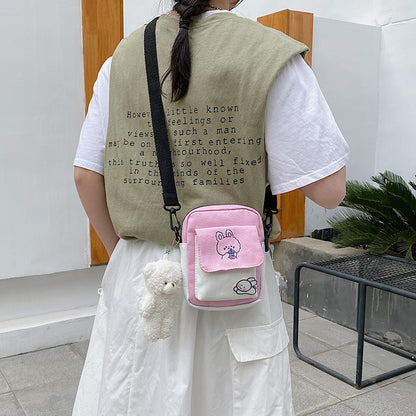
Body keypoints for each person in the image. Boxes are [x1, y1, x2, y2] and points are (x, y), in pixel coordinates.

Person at [72, 1, 349, 415]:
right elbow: (329, 190)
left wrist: (122, 253)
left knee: (132, 395)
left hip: (141, 274)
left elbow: (85, 175)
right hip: (231, 272)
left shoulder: (122, 58)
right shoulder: (270, 53)